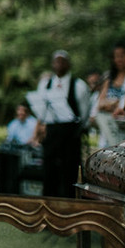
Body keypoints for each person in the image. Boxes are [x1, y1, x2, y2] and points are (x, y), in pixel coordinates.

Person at [29, 50, 91, 197]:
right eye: (56, 61)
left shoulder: (79, 85)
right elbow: (41, 109)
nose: (59, 64)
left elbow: (84, 114)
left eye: (62, 61)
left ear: (68, 64)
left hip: (71, 137)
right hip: (51, 134)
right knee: (49, 172)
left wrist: (77, 129)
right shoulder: (45, 84)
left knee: (69, 174)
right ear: (52, 64)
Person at [91, 43, 125, 148]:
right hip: (109, 128)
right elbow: (100, 104)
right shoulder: (109, 79)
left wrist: (112, 104)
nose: (119, 59)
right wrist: (117, 103)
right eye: (116, 56)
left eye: (122, 55)